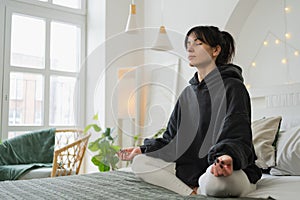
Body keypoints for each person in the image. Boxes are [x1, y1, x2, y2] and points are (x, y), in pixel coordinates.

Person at [117, 25, 262, 197]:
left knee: (216, 183)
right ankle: (191, 193)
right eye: (188, 43)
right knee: (140, 163)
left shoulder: (234, 87)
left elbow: (237, 132)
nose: (190, 48)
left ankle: (204, 185)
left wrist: (227, 157)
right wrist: (142, 149)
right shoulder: (187, 94)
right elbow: (171, 139)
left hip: (227, 168)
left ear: (215, 50)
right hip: (191, 169)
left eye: (198, 43)